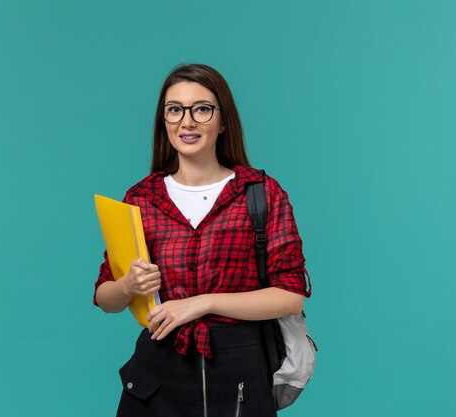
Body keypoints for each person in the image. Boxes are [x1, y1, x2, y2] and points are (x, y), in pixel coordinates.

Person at [94, 63, 311, 417]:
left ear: (223, 121)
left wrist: (202, 303)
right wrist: (129, 284)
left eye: (202, 109)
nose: (187, 121)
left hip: (239, 378)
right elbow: (106, 298)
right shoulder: (141, 198)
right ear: (164, 121)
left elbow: (290, 296)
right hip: (155, 380)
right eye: (175, 109)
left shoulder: (261, 194)